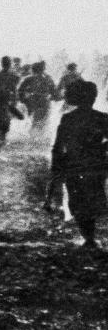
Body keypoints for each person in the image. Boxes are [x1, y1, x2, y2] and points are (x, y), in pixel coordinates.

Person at [51, 80, 108, 248]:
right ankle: (89, 236)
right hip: (95, 164)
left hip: (74, 165)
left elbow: (58, 145)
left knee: (77, 199)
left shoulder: (68, 118)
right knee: (93, 195)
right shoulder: (102, 118)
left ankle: (88, 236)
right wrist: (101, 148)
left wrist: (56, 166)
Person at [18, 61, 58, 136]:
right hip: (45, 102)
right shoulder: (48, 78)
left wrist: (23, 100)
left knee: (35, 121)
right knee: (44, 123)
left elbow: (20, 90)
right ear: (43, 70)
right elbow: (55, 93)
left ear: (33, 70)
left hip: (33, 102)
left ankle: (33, 138)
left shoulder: (29, 78)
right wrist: (54, 97)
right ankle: (40, 140)